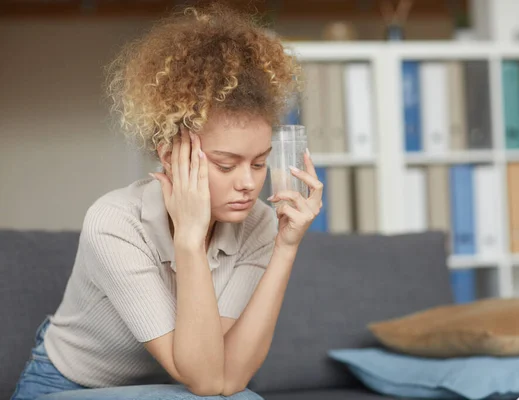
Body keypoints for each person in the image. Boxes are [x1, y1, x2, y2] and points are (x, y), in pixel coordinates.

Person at [11, 3, 323, 400]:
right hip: (61, 389)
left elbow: (224, 376)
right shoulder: (115, 222)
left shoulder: (259, 223)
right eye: (226, 165)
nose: (248, 183)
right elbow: (205, 382)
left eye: (259, 162)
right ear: (169, 156)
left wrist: (285, 247)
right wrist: (190, 238)